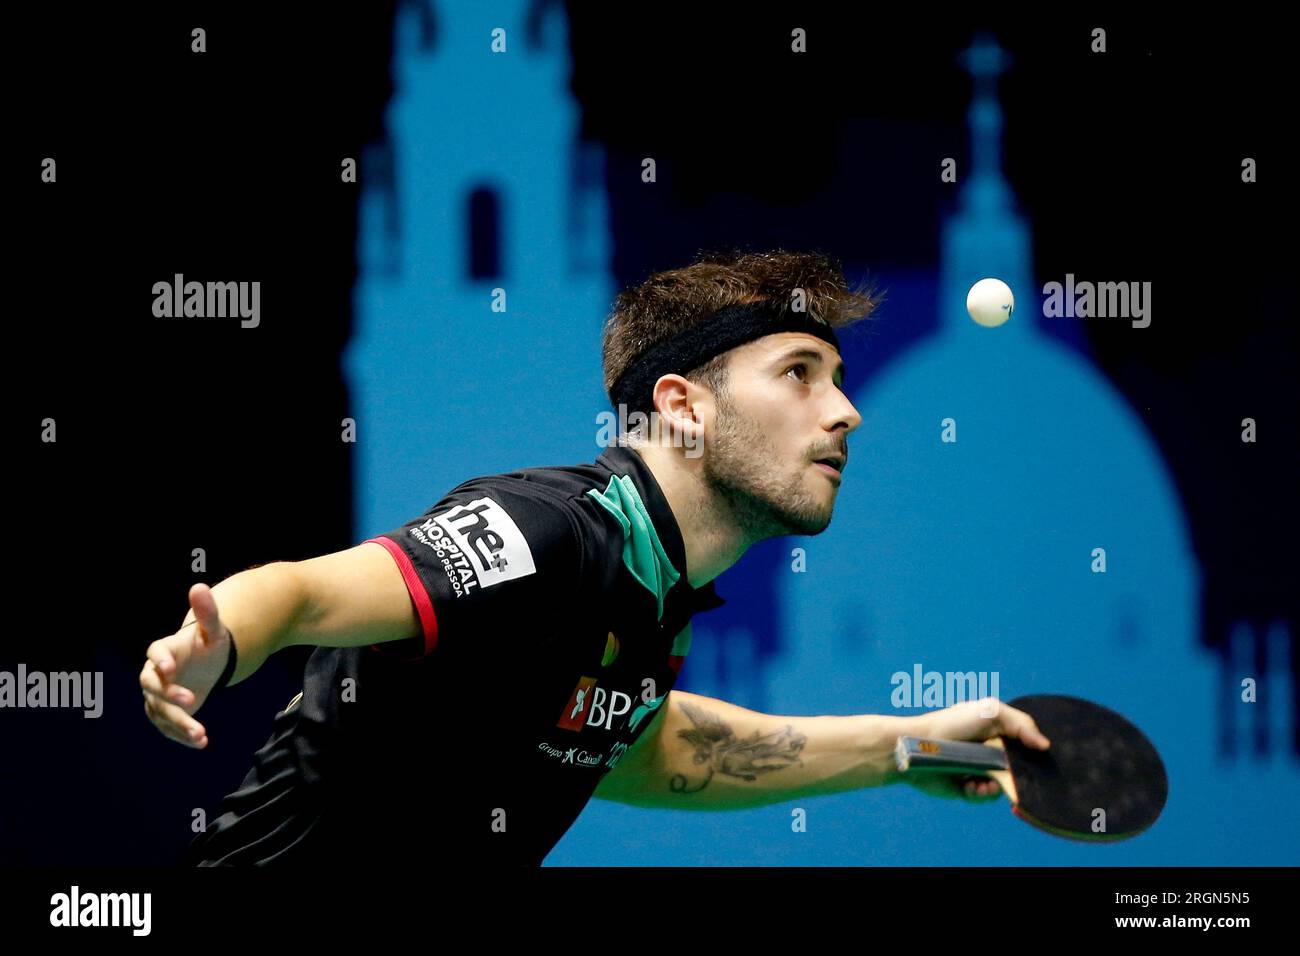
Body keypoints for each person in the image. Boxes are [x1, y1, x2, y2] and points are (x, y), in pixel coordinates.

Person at [139, 248, 1050, 866]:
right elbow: (306, 592)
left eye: (840, 380)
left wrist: (915, 747)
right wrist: (220, 642)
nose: (846, 411)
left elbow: (651, 749)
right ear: (684, 406)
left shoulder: (657, 593)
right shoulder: (544, 532)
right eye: (800, 372)